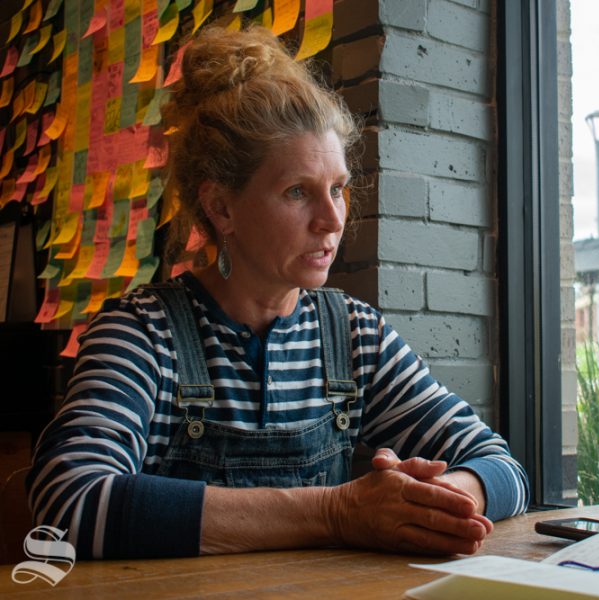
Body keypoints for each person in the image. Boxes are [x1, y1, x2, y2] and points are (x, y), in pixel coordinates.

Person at [26, 25, 528, 560]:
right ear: (221, 207)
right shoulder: (141, 335)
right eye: (298, 192)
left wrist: (439, 502)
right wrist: (338, 511)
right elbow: (66, 505)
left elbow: (503, 468)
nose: (332, 219)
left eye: (337, 188)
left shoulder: (355, 335)